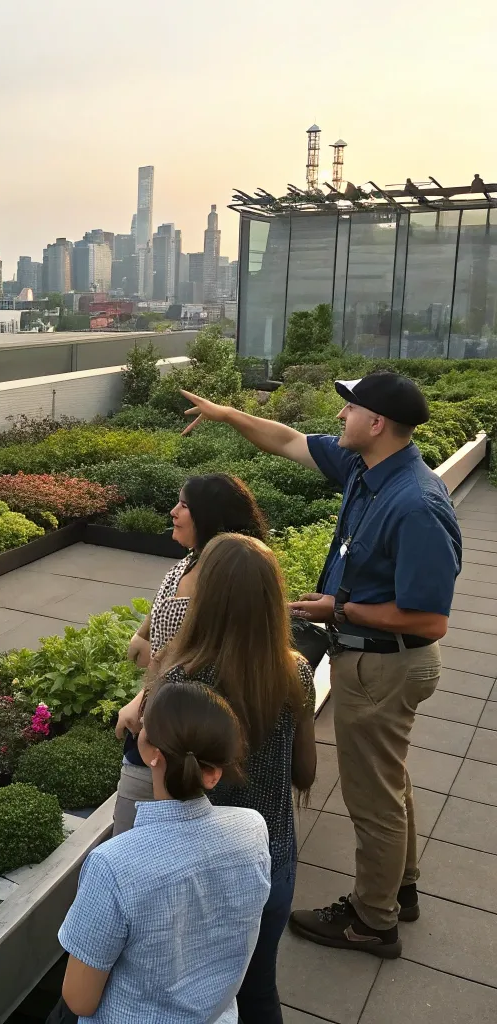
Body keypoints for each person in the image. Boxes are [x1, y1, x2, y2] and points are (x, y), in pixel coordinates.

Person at [182, 371, 462, 959]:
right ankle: (400, 890)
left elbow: (430, 620)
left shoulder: (415, 503)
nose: (340, 417)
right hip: (372, 659)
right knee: (390, 780)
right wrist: (228, 414)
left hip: (385, 667)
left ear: (376, 423)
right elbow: (286, 440)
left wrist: (342, 606)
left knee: (373, 798)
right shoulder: (367, 467)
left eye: (350, 408)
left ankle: (373, 920)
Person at [141, 533, 317, 1024]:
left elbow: (165, 777)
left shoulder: (182, 682)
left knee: (188, 998)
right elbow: (305, 770)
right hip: (271, 858)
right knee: (259, 991)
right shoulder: (294, 671)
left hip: (198, 871)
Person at [56, 682, 271, 1024]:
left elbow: (80, 1000)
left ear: (150, 751)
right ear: (214, 767)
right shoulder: (252, 829)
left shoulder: (113, 865)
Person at [116, 473, 268, 835]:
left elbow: (185, 660)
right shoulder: (194, 563)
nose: (173, 511)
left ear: (210, 516)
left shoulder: (221, 584)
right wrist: (144, 636)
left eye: (184, 505)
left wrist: (140, 701)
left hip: (174, 726)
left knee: (131, 834)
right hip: (165, 714)